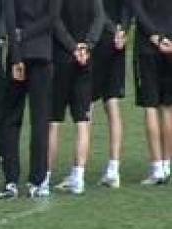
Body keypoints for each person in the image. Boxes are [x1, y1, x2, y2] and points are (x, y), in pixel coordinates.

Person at [0, 0, 62, 199]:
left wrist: (16, 56)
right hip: (41, 53)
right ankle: (37, 180)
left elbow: (10, 18)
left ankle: (11, 180)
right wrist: (26, 34)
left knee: (10, 119)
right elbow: (52, 17)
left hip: (18, 53)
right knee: (40, 120)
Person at [48, 0, 105, 196]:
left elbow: (55, 19)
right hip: (85, 60)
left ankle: (45, 177)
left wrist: (73, 47)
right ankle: (78, 177)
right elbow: (99, 18)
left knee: (54, 121)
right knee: (82, 121)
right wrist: (87, 46)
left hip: (62, 59)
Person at [130, 0, 172, 185]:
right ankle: (166, 165)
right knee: (167, 107)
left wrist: (155, 36)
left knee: (151, 107)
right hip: (169, 44)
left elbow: (137, 10)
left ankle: (157, 168)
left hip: (147, 46)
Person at [92, 0, 131, 188]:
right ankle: (113, 169)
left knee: (86, 107)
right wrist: (122, 30)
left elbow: (96, 9)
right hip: (116, 42)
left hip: (98, 40)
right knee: (112, 103)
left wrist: (114, 30)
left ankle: (78, 171)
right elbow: (127, 7)